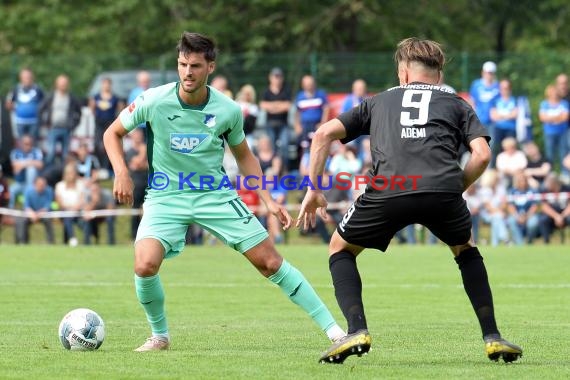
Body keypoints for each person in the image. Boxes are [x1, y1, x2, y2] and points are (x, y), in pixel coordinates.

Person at [103, 32, 345, 353]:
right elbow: (112, 133)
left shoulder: (227, 110)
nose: (187, 72)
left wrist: (269, 200)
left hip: (214, 195)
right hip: (166, 196)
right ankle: (159, 336)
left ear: (210, 67)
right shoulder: (153, 100)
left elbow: (244, 156)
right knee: (144, 265)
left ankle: (336, 332)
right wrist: (121, 171)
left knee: (270, 262)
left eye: (195, 66)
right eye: (182, 64)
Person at [297, 37, 522, 364]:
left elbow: (322, 134)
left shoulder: (377, 101)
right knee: (466, 250)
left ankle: (356, 330)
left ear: (403, 73)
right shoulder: (458, 103)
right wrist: (455, 187)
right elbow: (483, 154)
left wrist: (314, 189)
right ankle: (492, 336)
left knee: (340, 249)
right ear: (439, 73)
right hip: (443, 189)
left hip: (390, 188)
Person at [39, 74, 82, 165]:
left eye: (65, 83)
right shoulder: (51, 96)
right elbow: (41, 109)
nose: (63, 85)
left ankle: (63, 174)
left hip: (66, 129)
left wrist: (73, 125)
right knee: (50, 153)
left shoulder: (71, 97)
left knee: (65, 155)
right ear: (56, 84)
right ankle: (48, 173)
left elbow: (79, 112)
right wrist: (45, 123)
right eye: (61, 83)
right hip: (52, 128)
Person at [259, 67, 292, 170]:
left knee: (285, 145)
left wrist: (272, 107)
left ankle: (285, 169)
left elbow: (288, 106)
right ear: (270, 78)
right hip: (270, 124)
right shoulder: (266, 91)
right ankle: (272, 170)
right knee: (270, 147)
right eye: (275, 76)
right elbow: (263, 105)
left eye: (279, 77)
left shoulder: (286, 90)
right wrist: (279, 105)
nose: (277, 79)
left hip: (283, 125)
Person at [89, 77, 123, 172]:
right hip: (99, 124)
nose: (106, 86)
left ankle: (106, 167)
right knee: (97, 145)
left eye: (108, 84)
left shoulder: (115, 98)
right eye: (104, 84)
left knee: (108, 145)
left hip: (109, 124)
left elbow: (120, 108)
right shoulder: (96, 97)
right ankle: (97, 166)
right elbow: (92, 107)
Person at [469, 61, 499, 165]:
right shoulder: (476, 85)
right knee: (476, 145)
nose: (489, 75)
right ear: (483, 72)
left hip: (492, 121)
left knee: (492, 145)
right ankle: (475, 165)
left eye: (491, 73)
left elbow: (499, 103)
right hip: (478, 120)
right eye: (487, 72)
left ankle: (489, 168)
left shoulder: (497, 86)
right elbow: (472, 101)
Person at [5, 68, 44, 141]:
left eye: (29, 77)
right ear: (21, 78)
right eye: (25, 77)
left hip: (34, 122)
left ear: (32, 77)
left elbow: (45, 102)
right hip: (20, 122)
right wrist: (14, 107)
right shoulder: (15, 89)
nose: (27, 79)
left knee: (33, 142)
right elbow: (8, 103)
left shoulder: (38, 89)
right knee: (21, 143)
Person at [539, 84, 569, 176]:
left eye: (556, 92)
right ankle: (550, 174)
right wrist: (558, 117)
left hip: (562, 132)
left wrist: (551, 118)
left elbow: (565, 117)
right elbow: (543, 118)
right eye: (552, 92)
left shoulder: (564, 103)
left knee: (563, 153)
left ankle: (565, 174)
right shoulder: (544, 104)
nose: (554, 94)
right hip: (549, 132)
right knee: (550, 154)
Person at [15, 176, 55, 244]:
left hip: (44, 214)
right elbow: (26, 206)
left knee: (48, 220)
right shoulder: (28, 191)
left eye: (44, 185)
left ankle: (51, 242)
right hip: (31, 213)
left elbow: (47, 206)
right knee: (21, 220)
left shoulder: (49, 190)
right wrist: (32, 214)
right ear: (34, 185)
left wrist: (38, 214)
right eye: (40, 185)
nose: (42, 187)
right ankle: (22, 242)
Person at [124, 127, 148, 240]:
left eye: (140, 134)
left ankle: (147, 234)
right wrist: (143, 152)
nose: (138, 137)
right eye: (136, 134)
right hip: (135, 185)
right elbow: (135, 164)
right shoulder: (129, 152)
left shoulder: (150, 149)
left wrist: (141, 164)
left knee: (148, 210)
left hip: (148, 184)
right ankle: (134, 235)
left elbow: (149, 165)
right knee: (135, 210)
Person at [294, 74, 330, 149]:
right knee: (302, 144)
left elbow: (326, 109)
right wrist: (297, 125)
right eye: (307, 84)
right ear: (303, 85)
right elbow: (297, 112)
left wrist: (323, 123)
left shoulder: (320, 95)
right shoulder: (299, 96)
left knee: (317, 144)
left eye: (311, 83)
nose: (309, 86)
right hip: (304, 126)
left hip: (317, 124)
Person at [55, 163, 86, 246]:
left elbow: (82, 200)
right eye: (68, 173)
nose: (70, 175)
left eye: (72, 173)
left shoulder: (80, 185)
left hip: (78, 211)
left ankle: (84, 240)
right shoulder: (59, 186)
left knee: (83, 221)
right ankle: (72, 238)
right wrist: (70, 208)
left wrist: (75, 208)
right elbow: (59, 202)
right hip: (64, 211)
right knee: (67, 217)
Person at [9, 135, 43, 208]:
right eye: (25, 143)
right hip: (19, 183)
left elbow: (40, 165)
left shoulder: (36, 151)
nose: (28, 146)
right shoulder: (15, 152)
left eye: (29, 143)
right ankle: (10, 211)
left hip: (32, 184)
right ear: (21, 143)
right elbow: (15, 167)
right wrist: (31, 162)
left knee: (31, 170)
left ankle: (27, 209)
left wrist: (22, 164)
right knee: (11, 190)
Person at [490, 79, 518, 162]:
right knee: (495, 148)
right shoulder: (495, 101)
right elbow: (493, 116)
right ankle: (493, 168)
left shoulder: (514, 100)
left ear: (510, 89)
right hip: (498, 128)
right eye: (502, 88)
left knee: (510, 149)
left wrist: (501, 115)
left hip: (510, 129)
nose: (504, 90)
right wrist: (508, 115)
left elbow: (515, 115)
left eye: (506, 88)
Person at [539, 173, 570, 243]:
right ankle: (546, 241)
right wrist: (556, 216)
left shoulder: (566, 189)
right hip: (552, 215)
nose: (546, 185)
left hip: (565, 214)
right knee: (543, 220)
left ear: (554, 182)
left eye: (548, 182)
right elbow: (544, 206)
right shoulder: (545, 191)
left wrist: (562, 216)